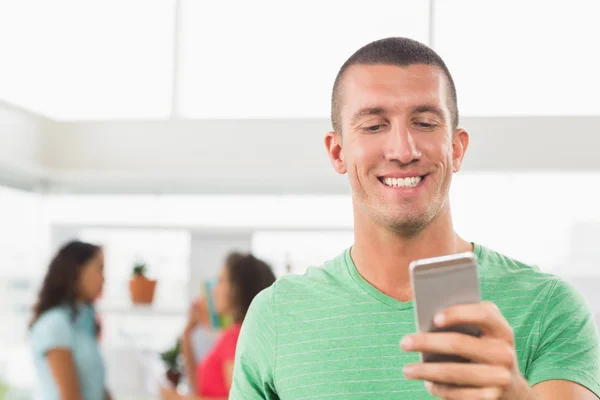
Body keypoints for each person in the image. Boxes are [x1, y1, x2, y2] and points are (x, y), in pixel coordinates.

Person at [230, 37, 600, 400]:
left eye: (424, 123)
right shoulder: (277, 315)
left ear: (456, 148)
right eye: (374, 126)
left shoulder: (548, 306)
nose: (402, 150)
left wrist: (516, 398)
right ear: (338, 151)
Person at [161, 252, 276, 400]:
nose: (214, 289)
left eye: (221, 280)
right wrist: (188, 333)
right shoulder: (238, 333)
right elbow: (198, 389)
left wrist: (179, 399)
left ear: (237, 288)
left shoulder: (235, 336)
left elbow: (237, 398)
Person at [30, 240, 110, 400]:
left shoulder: (83, 321)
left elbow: (98, 387)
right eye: (99, 269)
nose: (103, 279)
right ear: (77, 271)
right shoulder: (55, 324)